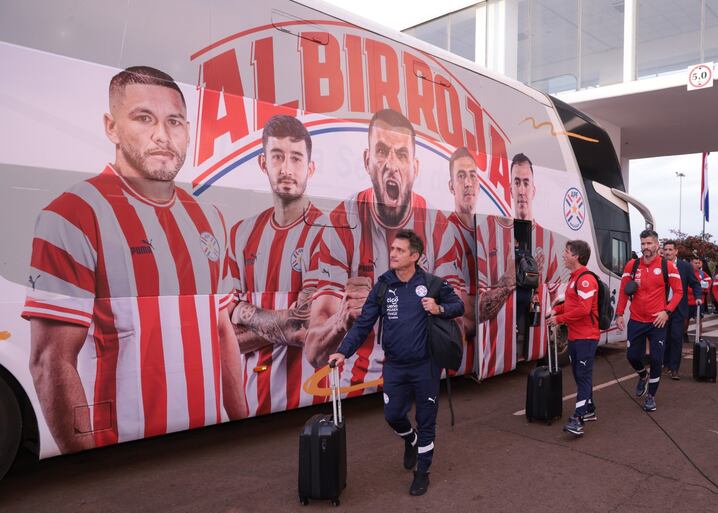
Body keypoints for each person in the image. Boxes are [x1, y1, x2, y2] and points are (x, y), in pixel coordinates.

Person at [22, 66, 247, 453]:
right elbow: (50, 361)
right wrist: (91, 465)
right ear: (111, 127)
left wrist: (244, 429)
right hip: (124, 454)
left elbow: (222, 330)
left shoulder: (209, 218)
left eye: (174, 121)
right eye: (144, 118)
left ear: (188, 130)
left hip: (208, 450)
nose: (163, 135)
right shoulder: (73, 214)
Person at [305, 109, 462, 389]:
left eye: (401, 154)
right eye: (382, 151)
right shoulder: (340, 223)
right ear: (367, 161)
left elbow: (459, 325)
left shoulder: (439, 227)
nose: (392, 164)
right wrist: (342, 319)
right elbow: (313, 352)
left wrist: (429, 307)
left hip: (418, 375)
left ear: (414, 168)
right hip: (355, 382)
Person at [328, 230, 464, 496]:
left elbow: (458, 305)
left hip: (426, 366)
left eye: (400, 250)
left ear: (415, 256)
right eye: (392, 248)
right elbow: (364, 323)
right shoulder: (383, 285)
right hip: (396, 365)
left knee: (427, 421)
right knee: (392, 416)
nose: (393, 253)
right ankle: (409, 440)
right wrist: (343, 351)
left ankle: (422, 472)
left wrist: (439, 309)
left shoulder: (433, 284)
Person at [227, 114, 325, 415]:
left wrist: (242, 313)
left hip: (309, 399)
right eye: (277, 156)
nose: (286, 168)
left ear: (310, 168)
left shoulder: (327, 233)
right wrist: (285, 323)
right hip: (249, 402)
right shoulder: (241, 233)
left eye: (296, 158)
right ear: (262, 163)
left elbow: (305, 327)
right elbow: (222, 334)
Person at [615, 230, 683, 413]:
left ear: (656, 245)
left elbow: (678, 292)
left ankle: (651, 396)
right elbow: (623, 291)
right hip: (636, 319)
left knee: (655, 359)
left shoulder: (668, 266)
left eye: (649, 243)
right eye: (643, 243)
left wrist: (667, 311)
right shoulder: (632, 265)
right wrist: (620, 313)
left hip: (657, 322)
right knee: (632, 356)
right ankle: (642, 376)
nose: (646, 247)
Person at [510, 153, 565, 364]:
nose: (522, 190)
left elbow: (554, 288)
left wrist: (553, 319)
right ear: (511, 189)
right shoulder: (502, 232)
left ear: (533, 190)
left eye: (526, 183)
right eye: (517, 182)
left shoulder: (545, 237)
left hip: (531, 302)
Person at [546, 240, 599, 436]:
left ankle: (578, 419)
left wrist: (559, 318)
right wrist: (554, 310)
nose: (563, 255)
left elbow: (583, 310)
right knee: (579, 375)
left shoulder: (585, 279)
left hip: (586, 337)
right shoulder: (574, 278)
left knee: (583, 376)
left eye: (566, 252)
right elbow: (571, 304)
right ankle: (590, 410)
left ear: (576, 256)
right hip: (576, 336)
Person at [445, 147, 480, 374]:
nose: (468, 182)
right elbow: (459, 310)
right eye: (461, 176)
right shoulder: (446, 232)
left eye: (472, 175)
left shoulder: (486, 232)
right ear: (451, 186)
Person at [662, 242, 701, 380]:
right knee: (664, 337)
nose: (668, 252)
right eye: (665, 249)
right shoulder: (660, 265)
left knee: (676, 337)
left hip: (678, 308)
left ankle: (674, 368)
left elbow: (695, 283)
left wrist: (697, 297)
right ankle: (665, 364)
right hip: (662, 308)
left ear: (676, 252)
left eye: (670, 250)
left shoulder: (685, 267)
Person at [685, 256, 711, 335]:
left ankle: (699, 337)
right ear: (690, 263)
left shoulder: (702, 274)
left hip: (699, 302)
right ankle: (684, 334)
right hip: (687, 302)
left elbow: (708, 283)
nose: (697, 265)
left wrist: (703, 289)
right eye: (695, 263)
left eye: (698, 263)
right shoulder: (686, 272)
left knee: (699, 321)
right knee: (685, 321)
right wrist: (696, 289)